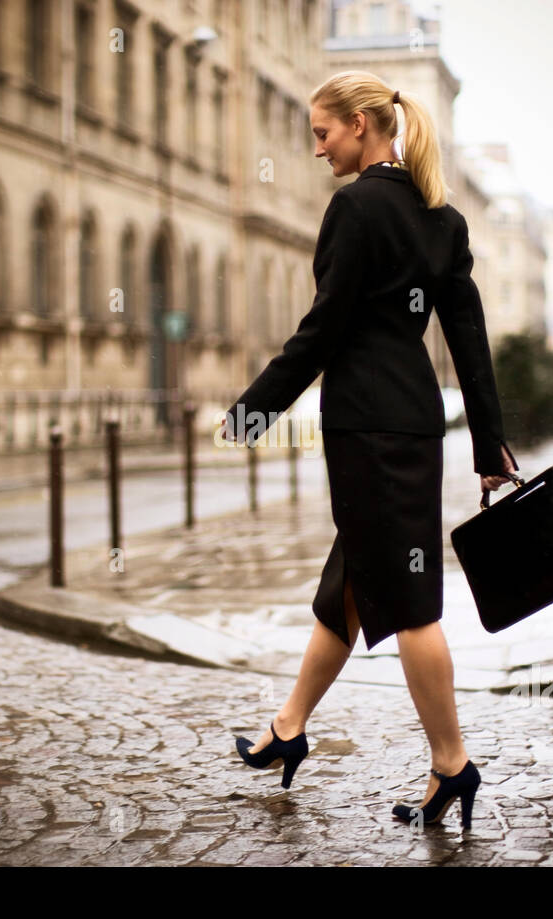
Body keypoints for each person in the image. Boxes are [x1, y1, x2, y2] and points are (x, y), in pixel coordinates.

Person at [219, 71, 515, 830]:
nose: (318, 149)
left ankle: (453, 765)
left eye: (322, 133)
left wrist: (253, 411)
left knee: (411, 605)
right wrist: (488, 442)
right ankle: (289, 728)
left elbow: (324, 328)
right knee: (348, 585)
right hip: (410, 419)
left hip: (366, 427)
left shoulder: (355, 207)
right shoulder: (441, 216)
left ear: (359, 123)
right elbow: (468, 337)